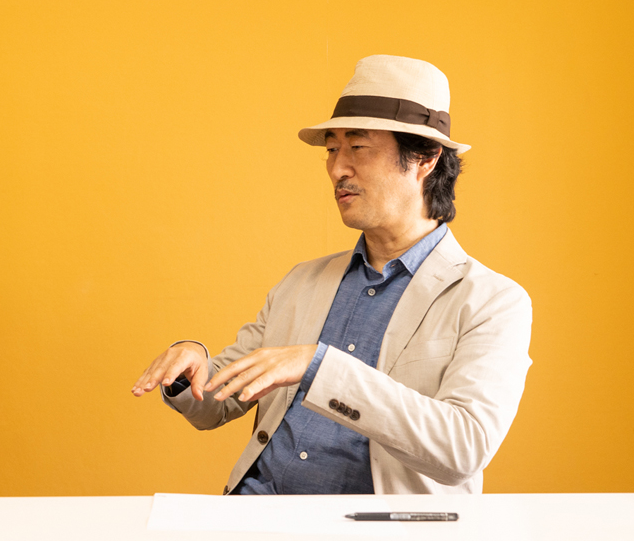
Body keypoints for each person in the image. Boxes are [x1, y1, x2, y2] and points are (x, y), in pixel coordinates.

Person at [132, 55, 531, 494]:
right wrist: (191, 368)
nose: (338, 169)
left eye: (357, 148)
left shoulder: (492, 301)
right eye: (332, 150)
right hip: (253, 516)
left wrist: (320, 367)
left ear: (425, 157)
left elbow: (464, 449)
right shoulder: (301, 282)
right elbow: (216, 404)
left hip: (380, 532)